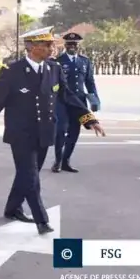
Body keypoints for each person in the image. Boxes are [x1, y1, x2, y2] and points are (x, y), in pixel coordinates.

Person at [0, 26, 105, 234]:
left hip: (45, 131)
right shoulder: (12, 71)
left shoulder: (54, 69)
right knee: (31, 176)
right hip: (21, 134)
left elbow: (68, 96)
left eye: (52, 44)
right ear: (32, 47)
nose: (52, 48)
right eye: (47, 45)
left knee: (28, 174)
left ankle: (12, 208)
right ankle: (41, 220)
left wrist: (89, 119)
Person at [51, 32, 100, 173]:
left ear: (79, 46)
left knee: (74, 132)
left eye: (75, 44)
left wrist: (95, 100)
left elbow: (90, 82)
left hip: (79, 102)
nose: (72, 46)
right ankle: (58, 160)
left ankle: (66, 161)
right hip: (62, 101)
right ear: (65, 45)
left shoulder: (85, 61)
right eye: (69, 44)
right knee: (61, 130)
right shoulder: (58, 61)